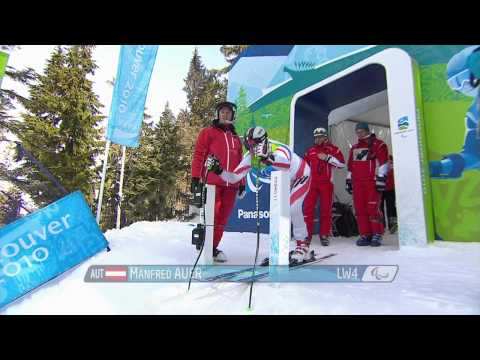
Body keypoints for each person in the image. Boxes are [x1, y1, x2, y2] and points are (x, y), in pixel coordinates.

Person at [206, 126, 312, 262]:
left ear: (262, 141)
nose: (252, 149)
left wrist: (268, 157)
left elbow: (285, 162)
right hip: (284, 180)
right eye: (248, 145)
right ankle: (279, 250)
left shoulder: (276, 147)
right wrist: (219, 170)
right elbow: (234, 177)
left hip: (301, 175)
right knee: (279, 212)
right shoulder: (250, 155)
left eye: (254, 144)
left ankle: (302, 245)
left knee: (293, 207)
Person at [190, 101, 246, 262]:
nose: (225, 114)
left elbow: (240, 163)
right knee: (211, 218)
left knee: (222, 220)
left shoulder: (235, 138)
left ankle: (212, 248)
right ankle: (204, 246)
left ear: (232, 115)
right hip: (213, 183)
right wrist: (195, 177)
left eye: (228, 112)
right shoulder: (208, 132)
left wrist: (241, 183)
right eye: (222, 112)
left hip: (231, 186)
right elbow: (199, 155)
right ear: (218, 114)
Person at [345, 122, 389, 247]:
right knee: (359, 209)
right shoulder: (354, 148)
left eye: (361, 131)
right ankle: (365, 234)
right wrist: (348, 180)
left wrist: (381, 178)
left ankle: (377, 233)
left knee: (373, 208)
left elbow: (384, 162)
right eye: (357, 131)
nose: (359, 133)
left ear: (367, 130)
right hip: (358, 182)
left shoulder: (378, 144)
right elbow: (350, 166)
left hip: (372, 182)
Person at [303, 127, 345, 246]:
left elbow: (342, 164)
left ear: (325, 137)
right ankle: (307, 235)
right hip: (312, 183)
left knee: (325, 210)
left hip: (327, 184)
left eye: (320, 136)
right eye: (316, 137)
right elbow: (304, 166)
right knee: (308, 209)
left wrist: (327, 158)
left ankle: (324, 234)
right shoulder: (310, 150)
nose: (318, 139)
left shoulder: (333, 149)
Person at [381, 155, 397, 234]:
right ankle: (381, 226)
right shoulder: (376, 158)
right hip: (379, 188)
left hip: (390, 187)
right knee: (379, 208)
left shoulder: (390, 158)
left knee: (391, 207)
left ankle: (393, 225)